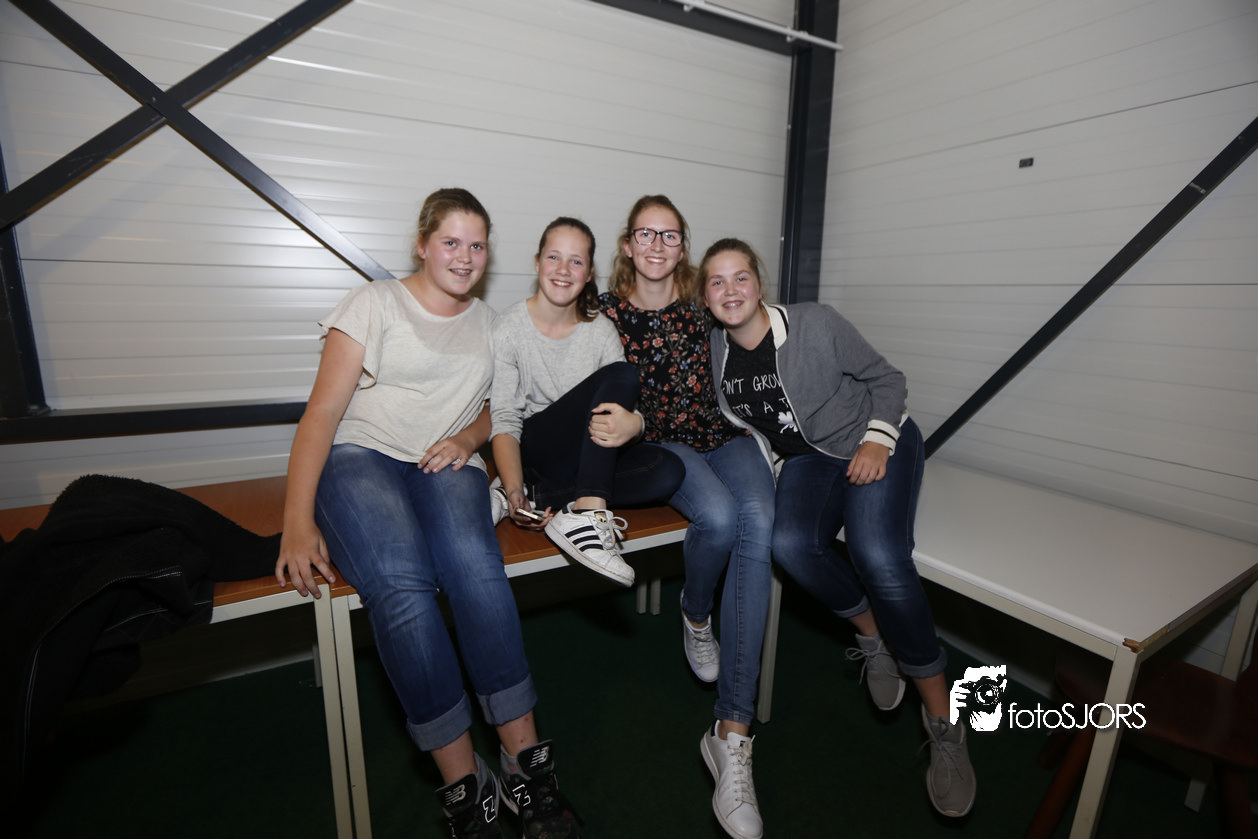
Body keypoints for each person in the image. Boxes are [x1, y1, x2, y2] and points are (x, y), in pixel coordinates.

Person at [275, 189, 579, 839]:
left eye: (477, 245)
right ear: (421, 245)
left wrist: (468, 438)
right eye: (451, 242)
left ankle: (524, 760)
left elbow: (501, 406)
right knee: (400, 583)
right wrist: (297, 520)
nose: (465, 257)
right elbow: (321, 414)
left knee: (474, 566)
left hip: (446, 459)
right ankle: (465, 786)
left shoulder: (491, 323)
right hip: (362, 457)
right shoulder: (373, 303)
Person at [700, 237, 977, 819]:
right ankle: (873, 637)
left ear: (759, 283)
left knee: (879, 555)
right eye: (716, 282)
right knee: (789, 543)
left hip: (872, 437)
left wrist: (878, 439)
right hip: (810, 461)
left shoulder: (814, 323)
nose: (730, 290)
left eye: (740, 277)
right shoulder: (713, 353)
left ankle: (942, 718)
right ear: (705, 297)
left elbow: (888, 378)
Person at [599, 197, 776, 839]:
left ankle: (732, 730)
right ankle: (695, 614)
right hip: (661, 443)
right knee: (721, 521)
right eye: (645, 234)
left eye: (669, 235)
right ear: (627, 244)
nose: (656, 245)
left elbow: (760, 320)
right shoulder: (604, 312)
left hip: (722, 435)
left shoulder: (704, 301)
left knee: (760, 520)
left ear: (682, 245)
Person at [491, 216, 683, 586]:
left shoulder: (601, 330)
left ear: (590, 273)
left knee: (667, 470)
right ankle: (585, 510)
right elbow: (504, 419)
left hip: (583, 459)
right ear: (537, 262)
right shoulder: (509, 328)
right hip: (536, 449)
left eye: (576, 261)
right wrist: (514, 482)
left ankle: (539, 498)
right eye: (554, 257)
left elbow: (621, 414)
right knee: (623, 373)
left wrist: (637, 424)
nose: (563, 270)